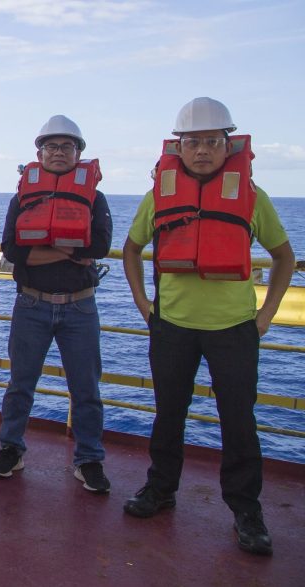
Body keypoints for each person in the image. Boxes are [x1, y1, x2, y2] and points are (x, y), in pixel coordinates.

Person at [121, 97, 294, 556]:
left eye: (211, 142)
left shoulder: (252, 197)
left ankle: (245, 510)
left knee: (238, 421)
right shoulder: (159, 195)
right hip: (172, 327)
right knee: (168, 415)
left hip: (234, 330)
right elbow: (132, 249)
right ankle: (160, 490)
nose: (201, 150)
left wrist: (266, 315)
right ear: (178, 147)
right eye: (192, 142)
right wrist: (144, 306)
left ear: (227, 144)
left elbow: (284, 257)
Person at [0, 115, 112, 493]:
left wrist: (40, 248)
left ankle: (89, 459)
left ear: (79, 154)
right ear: (38, 154)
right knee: (20, 384)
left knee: (86, 389)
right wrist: (69, 251)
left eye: (67, 147)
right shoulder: (21, 198)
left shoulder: (96, 198)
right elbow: (12, 251)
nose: (59, 153)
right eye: (51, 147)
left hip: (80, 308)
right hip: (32, 305)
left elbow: (99, 247)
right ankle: (12, 448)